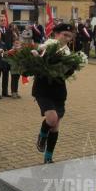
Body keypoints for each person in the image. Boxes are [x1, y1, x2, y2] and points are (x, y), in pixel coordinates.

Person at [33, 23, 74, 163]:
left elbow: (66, 74)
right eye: (64, 35)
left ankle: (48, 157)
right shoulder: (46, 47)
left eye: (69, 36)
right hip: (43, 89)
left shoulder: (68, 53)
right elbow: (36, 65)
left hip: (58, 90)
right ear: (56, 34)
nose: (67, 38)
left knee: (55, 126)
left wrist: (70, 69)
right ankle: (42, 135)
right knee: (51, 119)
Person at [0, 14, 14, 97]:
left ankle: (5, 92)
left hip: (7, 56)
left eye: (4, 20)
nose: (3, 21)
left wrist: (11, 51)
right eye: (2, 20)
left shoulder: (9, 31)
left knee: (6, 75)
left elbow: (11, 42)